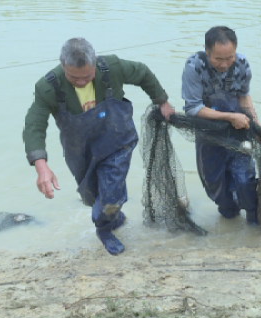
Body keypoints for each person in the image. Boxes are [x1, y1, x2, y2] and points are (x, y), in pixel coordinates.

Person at [23, 38, 175, 255]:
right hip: (81, 151)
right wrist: (41, 166)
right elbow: (34, 124)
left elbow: (142, 73)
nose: (82, 82)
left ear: (94, 62)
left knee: (110, 194)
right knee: (94, 194)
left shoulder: (112, 67)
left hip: (118, 141)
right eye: (74, 77)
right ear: (62, 64)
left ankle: (103, 229)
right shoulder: (47, 86)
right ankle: (114, 217)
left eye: (87, 75)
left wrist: (162, 101)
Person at [181, 26, 261, 225]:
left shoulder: (241, 64)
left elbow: (244, 97)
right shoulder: (194, 66)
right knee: (215, 183)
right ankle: (229, 218)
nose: (224, 64)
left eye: (229, 58)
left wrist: (255, 122)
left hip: (238, 132)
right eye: (218, 59)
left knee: (245, 179)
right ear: (206, 50)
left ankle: (253, 221)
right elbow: (193, 108)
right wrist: (229, 117)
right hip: (208, 134)